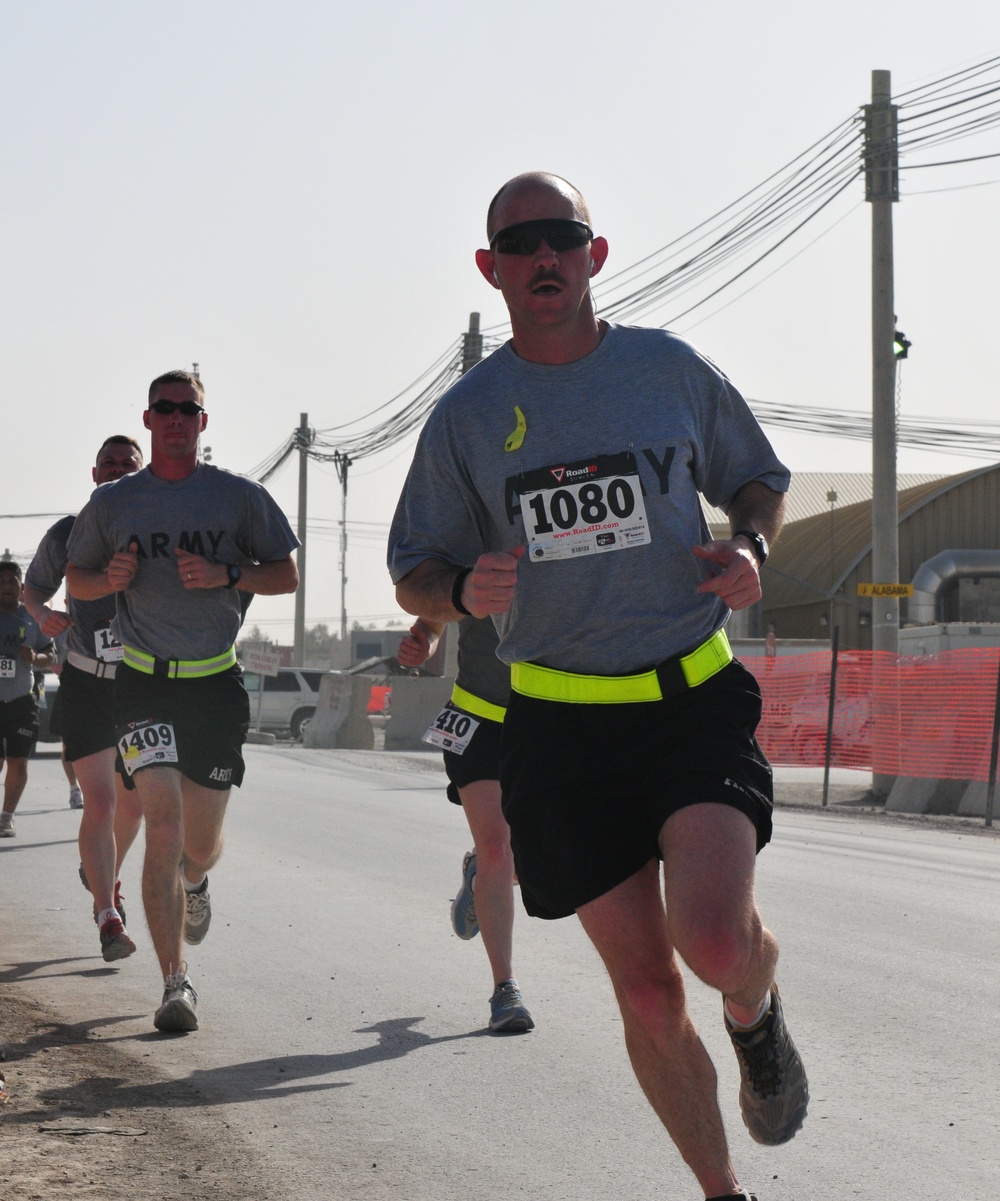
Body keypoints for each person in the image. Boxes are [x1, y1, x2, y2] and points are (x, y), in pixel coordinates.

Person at [388, 173, 806, 1201]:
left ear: (593, 254)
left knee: (712, 942)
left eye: (559, 239)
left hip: (687, 701)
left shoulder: (665, 369)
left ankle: (755, 1013)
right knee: (648, 992)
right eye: (519, 243)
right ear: (490, 268)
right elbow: (411, 569)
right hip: (558, 729)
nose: (542, 258)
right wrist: (454, 586)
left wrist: (749, 542)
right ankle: (721, 1190)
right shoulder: (469, 419)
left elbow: (758, 478)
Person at [66, 370, 299, 1032]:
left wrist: (229, 573)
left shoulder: (238, 498)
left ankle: (194, 883)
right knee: (160, 822)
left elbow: (285, 573)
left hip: (214, 685)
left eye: (187, 409)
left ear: (203, 420)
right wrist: (107, 577)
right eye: (164, 409)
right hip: (141, 681)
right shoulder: (114, 503)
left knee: (197, 843)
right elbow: (75, 582)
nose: (175, 418)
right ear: (147, 418)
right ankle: (176, 981)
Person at [24, 436, 147, 961]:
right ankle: (108, 916)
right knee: (101, 801)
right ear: (94, 473)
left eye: (129, 464)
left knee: (135, 806)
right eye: (110, 464)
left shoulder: (156, 531)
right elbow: (34, 589)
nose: (118, 471)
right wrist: (42, 615)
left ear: (143, 473)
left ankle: (105, 874)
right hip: (85, 680)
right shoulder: (68, 532)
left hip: (142, 684)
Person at [398, 615, 532, 1033]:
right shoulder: (479, 550)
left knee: (535, 862)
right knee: (497, 847)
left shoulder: (574, 548)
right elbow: (435, 616)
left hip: (548, 719)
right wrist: (425, 640)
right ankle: (505, 990)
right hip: (476, 714)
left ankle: (481, 878)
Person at [0, 562, 57, 837]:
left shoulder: (32, 618)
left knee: (18, 761)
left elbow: (51, 654)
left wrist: (35, 658)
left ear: (22, 587)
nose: (6, 586)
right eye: (1, 582)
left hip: (23, 699)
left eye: (12, 581)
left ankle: (7, 816)